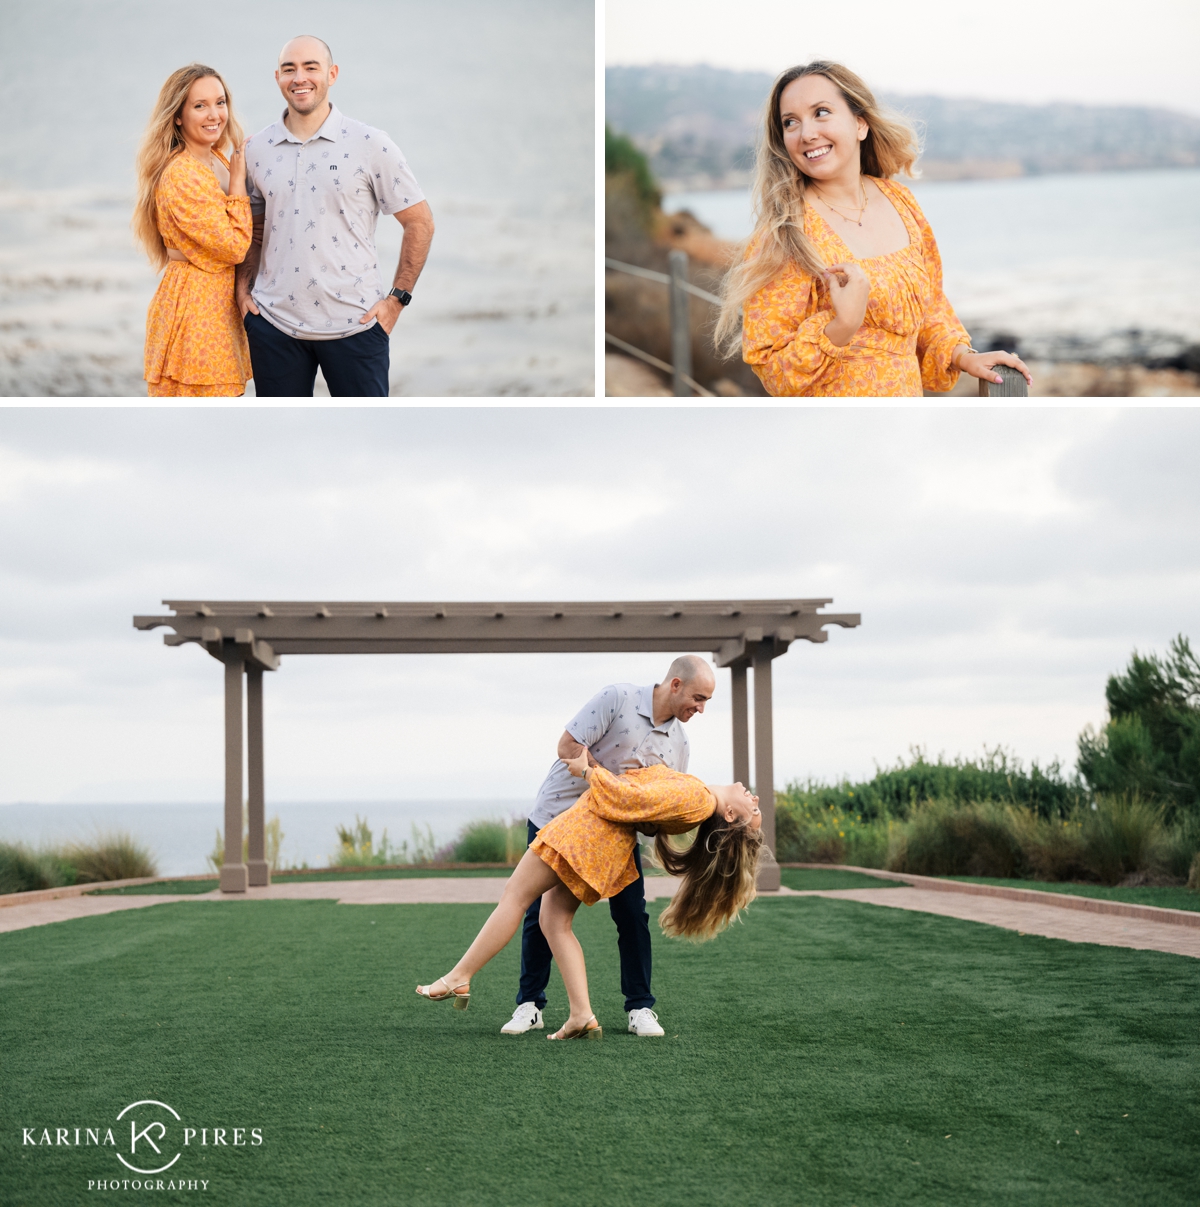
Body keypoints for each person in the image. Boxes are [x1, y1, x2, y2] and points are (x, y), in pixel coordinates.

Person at [715, 61, 1033, 398]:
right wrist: (840, 327)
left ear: (860, 124)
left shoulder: (900, 201)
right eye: (790, 122)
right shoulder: (785, 232)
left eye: (821, 112)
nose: (806, 133)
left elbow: (930, 308)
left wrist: (964, 356)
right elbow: (774, 371)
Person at [416, 749, 763, 1040]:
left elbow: (628, 798)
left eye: (755, 810)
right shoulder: (698, 797)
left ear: (730, 815)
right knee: (553, 920)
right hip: (599, 843)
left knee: (515, 895)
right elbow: (644, 800)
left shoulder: (699, 799)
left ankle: (459, 977)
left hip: (585, 836)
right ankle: (581, 1014)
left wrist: (587, 771)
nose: (756, 798)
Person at [500, 656, 716, 1039]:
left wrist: (656, 820)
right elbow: (567, 746)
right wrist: (610, 783)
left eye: (706, 702)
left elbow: (657, 805)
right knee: (538, 913)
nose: (701, 708)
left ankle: (640, 1008)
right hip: (556, 816)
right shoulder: (618, 698)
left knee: (632, 914)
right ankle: (529, 1004)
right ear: (676, 684)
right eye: (698, 698)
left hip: (612, 835)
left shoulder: (680, 746)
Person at [235, 35, 435, 397]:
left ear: (332, 74)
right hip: (274, 327)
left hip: (356, 327)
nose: (300, 78)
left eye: (311, 67)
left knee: (366, 439)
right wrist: (242, 286)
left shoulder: (370, 143)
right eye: (289, 69)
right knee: (282, 443)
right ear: (277, 77)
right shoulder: (257, 149)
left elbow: (419, 221)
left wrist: (396, 301)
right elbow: (254, 226)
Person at [135, 65, 253, 397]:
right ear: (177, 116)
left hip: (217, 311)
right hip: (195, 316)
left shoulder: (216, 159)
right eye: (199, 105)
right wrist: (239, 186)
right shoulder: (182, 173)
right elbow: (232, 247)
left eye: (220, 102)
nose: (214, 114)